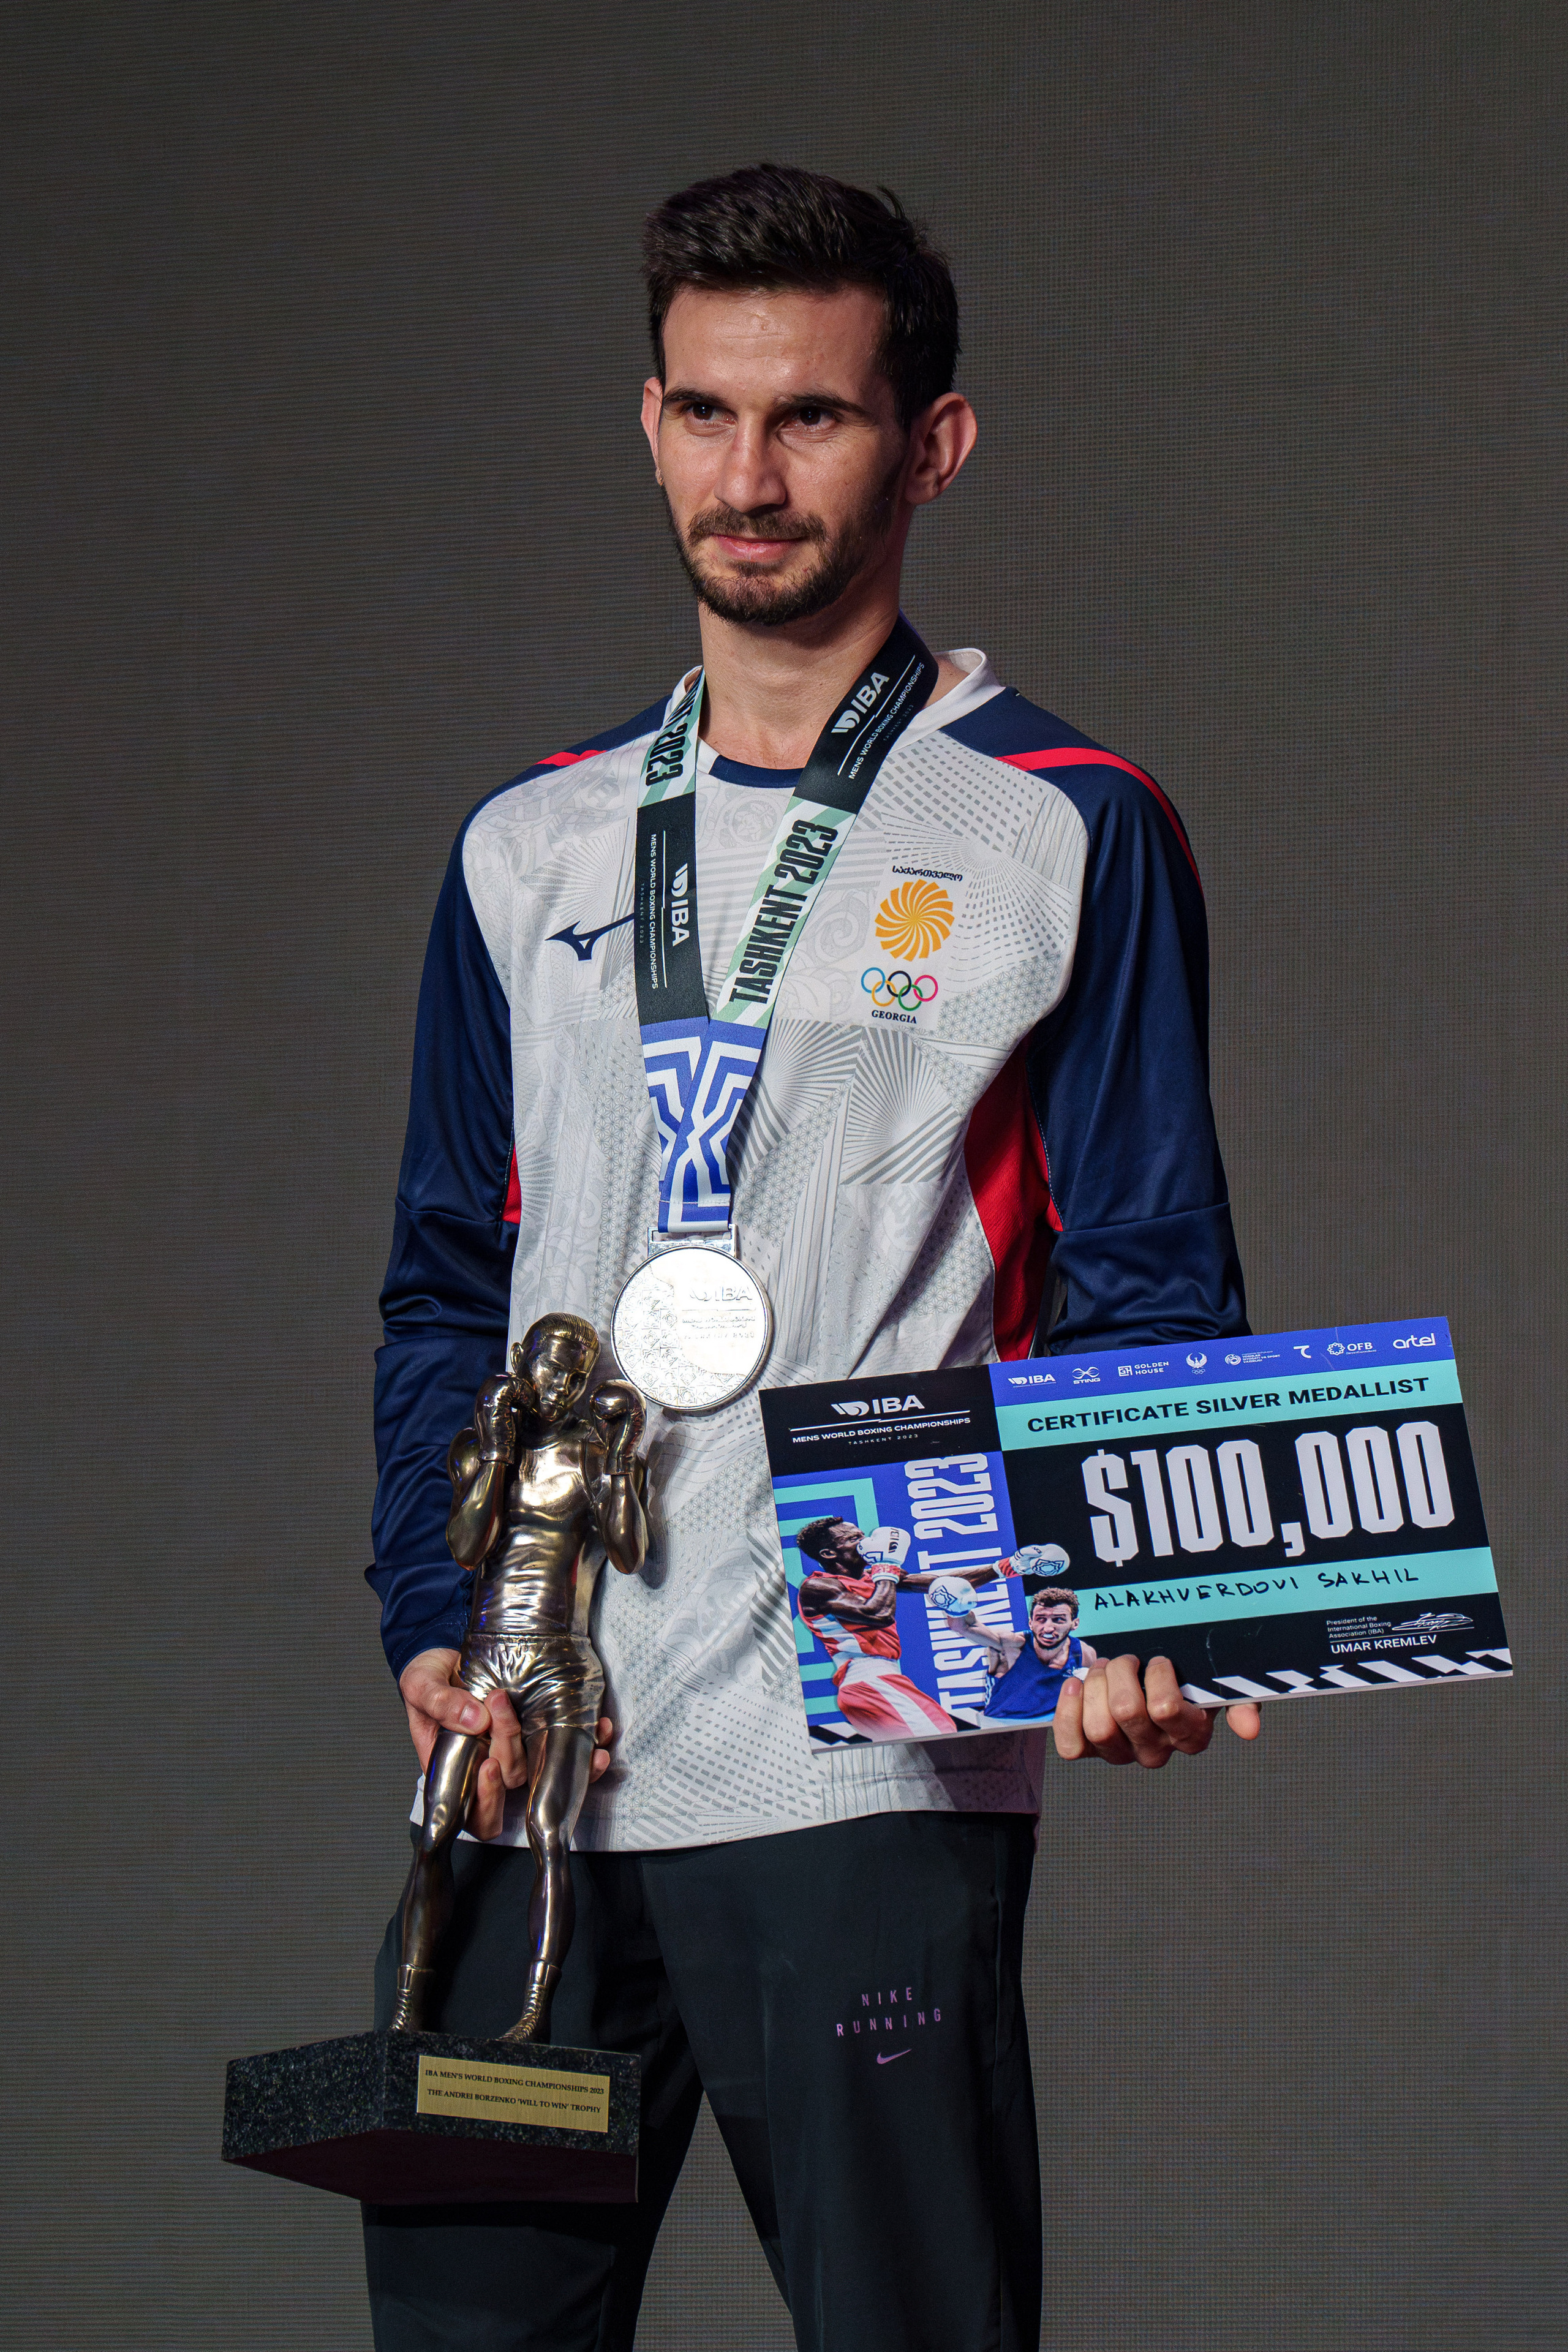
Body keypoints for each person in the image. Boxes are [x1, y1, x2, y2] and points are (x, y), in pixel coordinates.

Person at [364, 162, 1261, 2352]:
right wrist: (427, 1606)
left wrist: (1153, 1603)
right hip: (535, 1738)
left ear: (926, 442)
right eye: (702, 413)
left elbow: (1142, 1262)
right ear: (649, 421)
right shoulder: (534, 839)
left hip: (869, 1714)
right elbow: (440, 1284)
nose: (746, 478)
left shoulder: (1055, 816)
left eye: (811, 419)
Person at [388, 1315, 648, 2045]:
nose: (558, 1385)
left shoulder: (594, 1449)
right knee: (436, 1830)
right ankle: (410, 2011)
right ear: (520, 1362)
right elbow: (465, 1546)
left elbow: (628, 1551)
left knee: (546, 1833)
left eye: (574, 1374)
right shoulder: (482, 1446)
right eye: (547, 1368)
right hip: (485, 1657)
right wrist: (499, 1450)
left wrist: (623, 1454)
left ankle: (534, 2014)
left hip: (561, 1661)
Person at [794, 1514, 1006, 1738]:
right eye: (854, 1538)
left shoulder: (873, 1577)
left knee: (935, 1746)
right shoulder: (817, 1587)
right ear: (829, 1553)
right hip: (870, 1682)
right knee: (943, 1738)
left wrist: (1005, 1567)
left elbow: (944, 1583)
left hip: (876, 1685)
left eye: (863, 1535)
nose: (866, 1542)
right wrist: (887, 1567)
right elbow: (878, 1614)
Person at [971, 1585, 1097, 1725]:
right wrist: (956, 1606)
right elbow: (966, 1627)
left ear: (1074, 1624)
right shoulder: (1011, 1646)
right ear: (1031, 1623)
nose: (1048, 1628)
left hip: (1052, 1724)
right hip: (1001, 1723)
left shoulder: (1084, 1653)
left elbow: (1090, 1700)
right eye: (1041, 1619)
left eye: (1058, 1620)